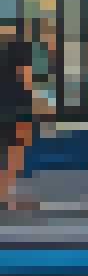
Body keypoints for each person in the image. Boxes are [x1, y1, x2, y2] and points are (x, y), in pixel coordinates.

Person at [0, 24, 35, 211]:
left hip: (6, 107)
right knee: (14, 154)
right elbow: (26, 79)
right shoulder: (22, 46)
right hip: (18, 108)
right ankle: (6, 197)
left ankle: (5, 196)